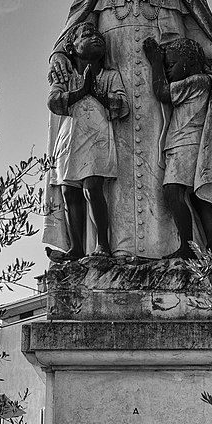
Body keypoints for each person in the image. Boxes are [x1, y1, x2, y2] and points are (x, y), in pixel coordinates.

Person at [43, 0, 212, 259]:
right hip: (107, 104)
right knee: (101, 180)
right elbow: (72, 31)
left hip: (166, 105)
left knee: (172, 179)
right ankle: (101, 256)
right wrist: (57, 55)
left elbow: (204, 37)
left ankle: (183, 255)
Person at [47, 22, 129, 259]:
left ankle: (103, 244)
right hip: (69, 138)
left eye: (98, 35)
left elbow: (122, 104)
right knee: (69, 192)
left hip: (97, 137)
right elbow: (54, 101)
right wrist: (80, 92)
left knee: (93, 187)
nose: (96, 38)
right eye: (87, 34)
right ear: (71, 48)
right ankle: (76, 248)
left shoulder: (109, 76)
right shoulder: (66, 77)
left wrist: (98, 93)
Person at [143, 36, 212, 259]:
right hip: (192, 144)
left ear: (189, 62)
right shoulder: (207, 81)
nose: (169, 70)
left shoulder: (197, 82)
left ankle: (188, 248)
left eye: (172, 65)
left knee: (173, 192)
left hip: (186, 144)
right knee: (200, 199)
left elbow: (162, 92)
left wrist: (155, 62)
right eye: (167, 65)